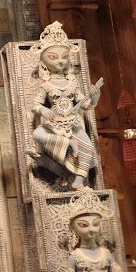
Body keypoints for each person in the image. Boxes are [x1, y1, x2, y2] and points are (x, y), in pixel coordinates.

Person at [29, 21, 102, 190]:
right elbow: (35, 104)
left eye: (64, 56)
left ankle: (79, 180)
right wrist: (43, 109)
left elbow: (85, 105)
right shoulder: (46, 86)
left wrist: (94, 99)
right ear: (44, 62)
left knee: (88, 148)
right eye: (53, 57)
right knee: (37, 134)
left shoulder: (72, 84)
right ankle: (68, 144)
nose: (60, 61)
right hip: (54, 126)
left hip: (72, 124)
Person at [57, 192, 136, 272]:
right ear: (73, 228)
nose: (91, 229)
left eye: (95, 224)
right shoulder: (75, 256)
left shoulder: (105, 253)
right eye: (84, 225)